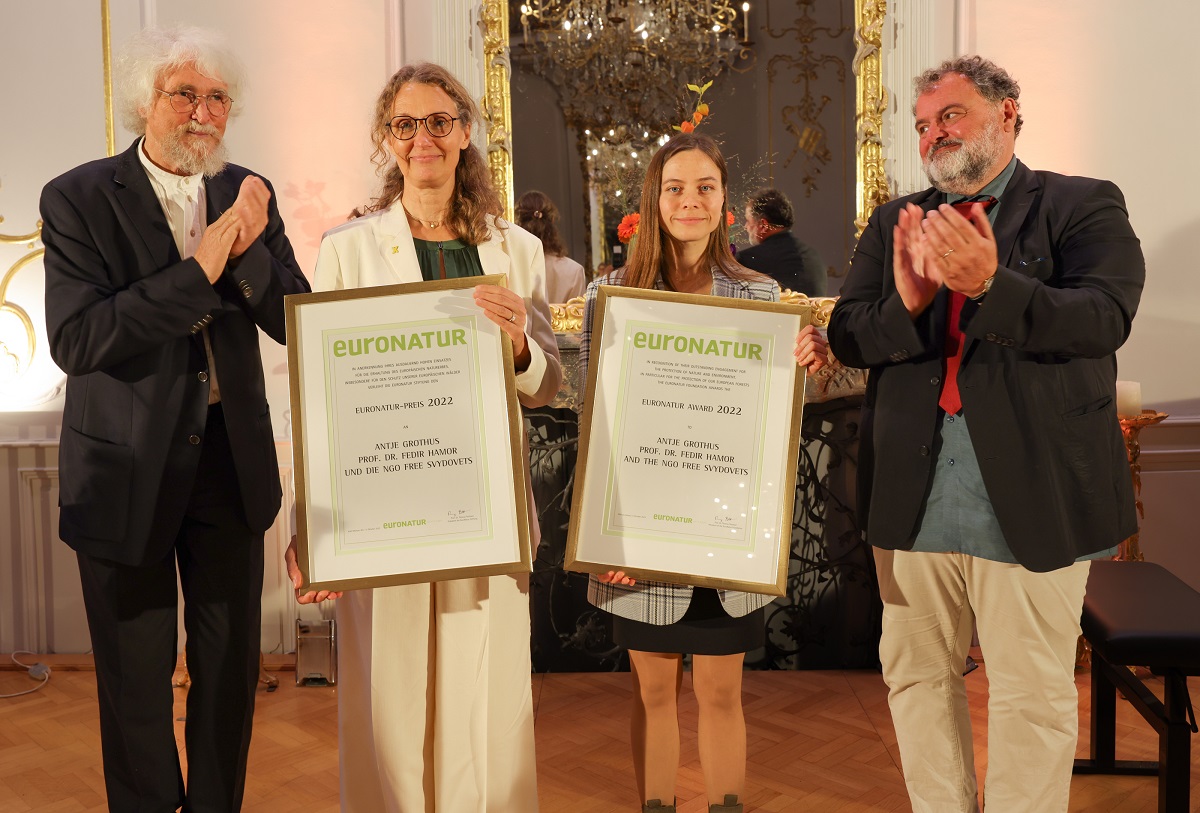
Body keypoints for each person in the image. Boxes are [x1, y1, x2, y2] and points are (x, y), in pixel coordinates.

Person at [827, 55, 1144, 812]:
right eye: (925, 124)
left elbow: (1104, 317)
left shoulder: (1081, 204)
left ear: (1006, 111)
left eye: (952, 115)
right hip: (913, 494)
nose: (935, 134)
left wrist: (991, 287)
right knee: (916, 675)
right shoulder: (893, 219)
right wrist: (904, 302)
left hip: (1033, 490)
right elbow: (848, 335)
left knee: (1029, 690)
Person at [39, 25, 309, 811]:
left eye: (216, 96)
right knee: (133, 681)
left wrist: (249, 248)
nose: (201, 111)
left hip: (230, 464)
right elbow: (79, 338)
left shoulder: (248, 189)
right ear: (144, 103)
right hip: (123, 472)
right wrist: (202, 270)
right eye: (182, 93)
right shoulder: (77, 196)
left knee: (229, 675)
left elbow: (296, 318)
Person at [283, 62, 561, 812]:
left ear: (465, 133)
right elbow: (320, 392)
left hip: (485, 504)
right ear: (387, 139)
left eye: (438, 121)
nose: (422, 139)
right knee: (390, 693)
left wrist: (522, 352)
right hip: (383, 507)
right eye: (405, 124)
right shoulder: (348, 249)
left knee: (487, 688)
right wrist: (310, 517)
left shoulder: (515, 249)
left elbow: (548, 383)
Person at [579, 132, 828, 813]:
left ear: (725, 203)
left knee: (722, 692)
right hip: (641, 537)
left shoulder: (760, 295)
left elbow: (772, 419)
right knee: (652, 692)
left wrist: (807, 365)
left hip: (725, 533)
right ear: (653, 200)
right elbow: (595, 419)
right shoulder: (612, 294)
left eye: (705, 188)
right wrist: (608, 537)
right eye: (675, 188)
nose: (690, 200)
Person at [737, 188, 826, 296]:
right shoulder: (814, 256)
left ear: (763, 225)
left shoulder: (746, 261)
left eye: (748, 220)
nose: (746, 227)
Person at [516, 189, 587, 302]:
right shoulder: (574, 271)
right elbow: (577, 318)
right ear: (552, 220)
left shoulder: (510, 268)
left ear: (518, 223)